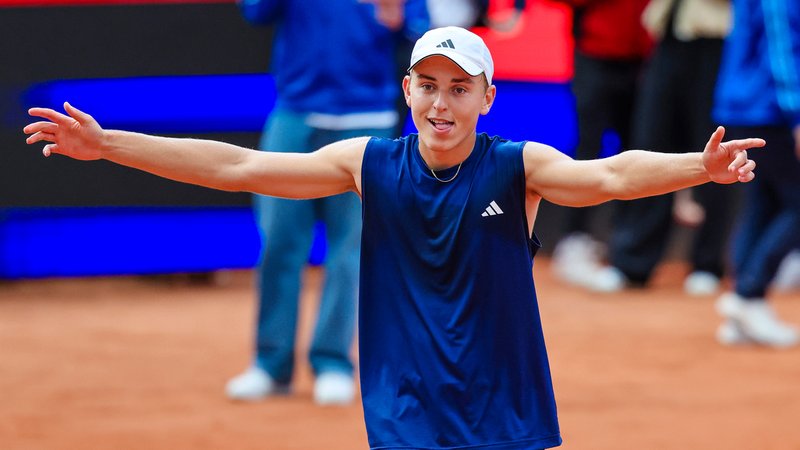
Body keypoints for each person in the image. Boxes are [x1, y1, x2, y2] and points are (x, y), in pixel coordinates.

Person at [24, 26, 761, 449]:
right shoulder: (366, 162)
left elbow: (609, 177)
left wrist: (699, 166)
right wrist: (111, 143)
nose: (442, 103)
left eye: (459, 87)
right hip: (404, 413)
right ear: (407, 90)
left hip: (506, 415)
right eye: (429, 85)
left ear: (486, 97)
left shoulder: (518, 167)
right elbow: (238, 165)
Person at [225, 0, 429, 406]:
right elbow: (256, 11)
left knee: (351, 249)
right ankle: (270, 364)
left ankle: (334, 363)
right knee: (280, 243)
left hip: (367, 117)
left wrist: (401, 17)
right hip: (294, 112)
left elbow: (420, 30)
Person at [588, 0, 736, 295]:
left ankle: (707, 264)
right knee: (651, 142)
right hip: (667, 37)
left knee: (717, 150)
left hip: (717, 42)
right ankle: (632, 264)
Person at [712, 0, 800, 347]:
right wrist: (796, 114)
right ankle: (748, 295)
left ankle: (743, 305)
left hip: (749, 105)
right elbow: (781, 44)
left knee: (762, 204)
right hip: (770, 110)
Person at [547, 0, 652, 288]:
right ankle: (574, 241)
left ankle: (626, 245)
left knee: (637, 152)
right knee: (588, 150)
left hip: (643, 60)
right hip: (594, 54)